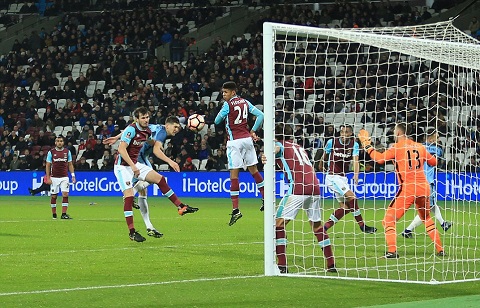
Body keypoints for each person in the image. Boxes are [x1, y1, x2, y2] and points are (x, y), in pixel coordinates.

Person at [358, 123, 444, 258]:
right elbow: (434, 162)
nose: (393, 133)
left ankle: (392, 251)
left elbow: (379, 159)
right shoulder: (420, 146)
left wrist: (366, 145)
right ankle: (440, 249)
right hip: (424, 187)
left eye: (394, 131)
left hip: (408, 188)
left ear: (398, 133)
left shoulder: (396, 148)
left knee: (388, 220)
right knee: (426, 218)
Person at [105, 116, 198, 239]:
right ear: (167, 125)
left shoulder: (152, 126)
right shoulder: (162, 132)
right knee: (153, 182)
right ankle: (134, 193)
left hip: (140, 158)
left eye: (178, 128)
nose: (176, 130)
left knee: (145, 189)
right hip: (138, 158)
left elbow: (132, 127)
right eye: (175, 127)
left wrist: (117, 137)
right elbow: (156, 151)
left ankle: (149, 226)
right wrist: (171, 162)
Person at [263, 124, 336, 274]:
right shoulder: (299, 146)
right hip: (315, 187)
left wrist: (267, 154)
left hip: (299, 187)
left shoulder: (279, 144)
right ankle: (331, 264)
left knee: (278, 224)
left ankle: (282, 266)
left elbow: (276, 149)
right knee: (317, 226)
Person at [214, 81, 265, 226]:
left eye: (226, 92)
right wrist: (253, 130)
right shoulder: (245, 102)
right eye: (223, 92)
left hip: (235, 142)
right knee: (254, 171)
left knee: (234, 176)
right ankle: (265, 199)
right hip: (247, 140)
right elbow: (261, 115)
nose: (224, 94)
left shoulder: (227, 105)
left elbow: (217, 121)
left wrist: (224, 114)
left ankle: (236, 210)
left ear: (233, 92)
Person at [319, 124, 377, 234]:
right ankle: (362, 226)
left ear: (350, 133)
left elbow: (356, 160)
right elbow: (325, 155)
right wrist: (321, 164)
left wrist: (356, 174)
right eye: (342, 132)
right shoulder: (332, 142)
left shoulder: (353, 144)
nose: (344, 134)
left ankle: (323, 229)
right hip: (332, 177)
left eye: (346, 132)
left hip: (342, 178)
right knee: (352, 198)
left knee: (345, 207)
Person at [402, 129, 452, 237]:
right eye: (436, 137)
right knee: (426, 210)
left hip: (417, 181)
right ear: (430, 138)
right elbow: (439, 158)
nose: (438, 140)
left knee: (432, 205)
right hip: (427, 183)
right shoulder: (437, 149)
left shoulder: (418, 147)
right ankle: (407, 230)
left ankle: (443, 224)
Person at [45, 136, 76, 219]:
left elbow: (70, 164)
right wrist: (48, 177)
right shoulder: (51, 152)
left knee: (65, 194)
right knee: (54, 196)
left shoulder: (67, 152)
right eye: (58, 141)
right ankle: (54, 214)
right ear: (55, 142)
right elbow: (48, 165)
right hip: (54, 177)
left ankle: (64, 214)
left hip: (64, 177)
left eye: (61, 141)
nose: (59, 142)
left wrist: (73, 175)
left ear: (63, 142)